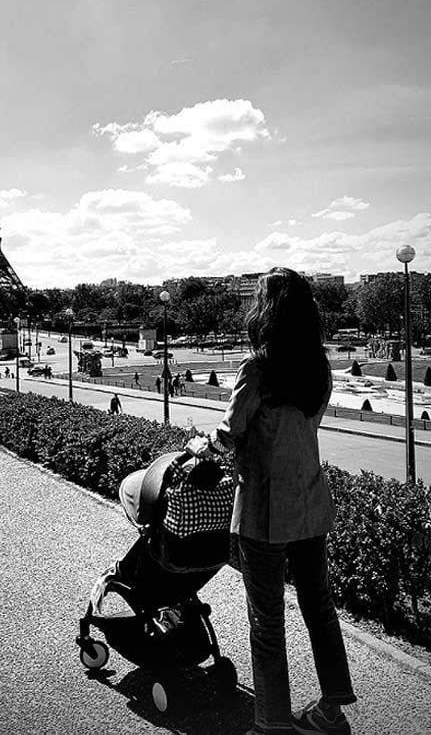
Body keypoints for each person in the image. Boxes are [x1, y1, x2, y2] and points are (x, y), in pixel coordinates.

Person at [186, 268, 356, 735]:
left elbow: (231, 429)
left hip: (264, 508)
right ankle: (332, 709)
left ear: (267, 311)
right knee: (319, 607)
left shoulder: (257, 366)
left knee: (266, 620)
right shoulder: (318, 368)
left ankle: (272, 723)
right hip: (311, 504)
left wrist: (203, 448)